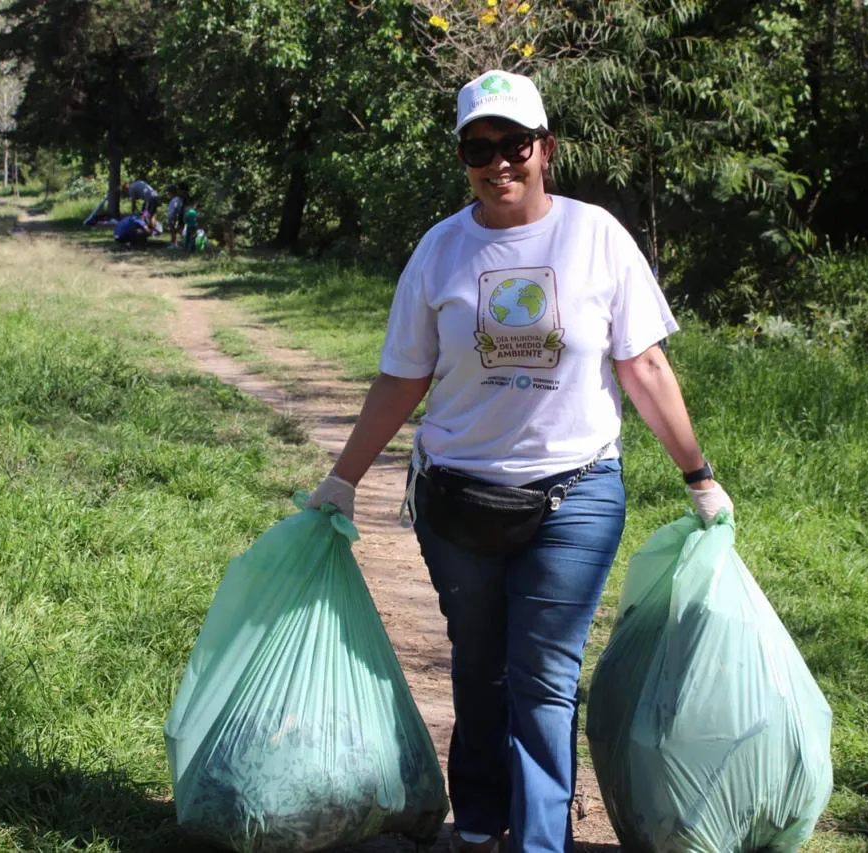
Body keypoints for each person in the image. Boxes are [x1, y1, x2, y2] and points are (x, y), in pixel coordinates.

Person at [306, 70, 733, 853]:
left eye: (515, 144)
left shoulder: (597, 237)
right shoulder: (440, 250)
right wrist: (344, 476)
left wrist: (697, 475)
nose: (498, 162)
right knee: (479, 667)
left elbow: (643, 365)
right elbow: (402, 377)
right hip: (458, 496)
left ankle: (538, 840)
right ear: (462, 158)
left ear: (547, 149)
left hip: (576, 492)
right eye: (479, 148)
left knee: (543, 676)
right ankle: (476, 822)